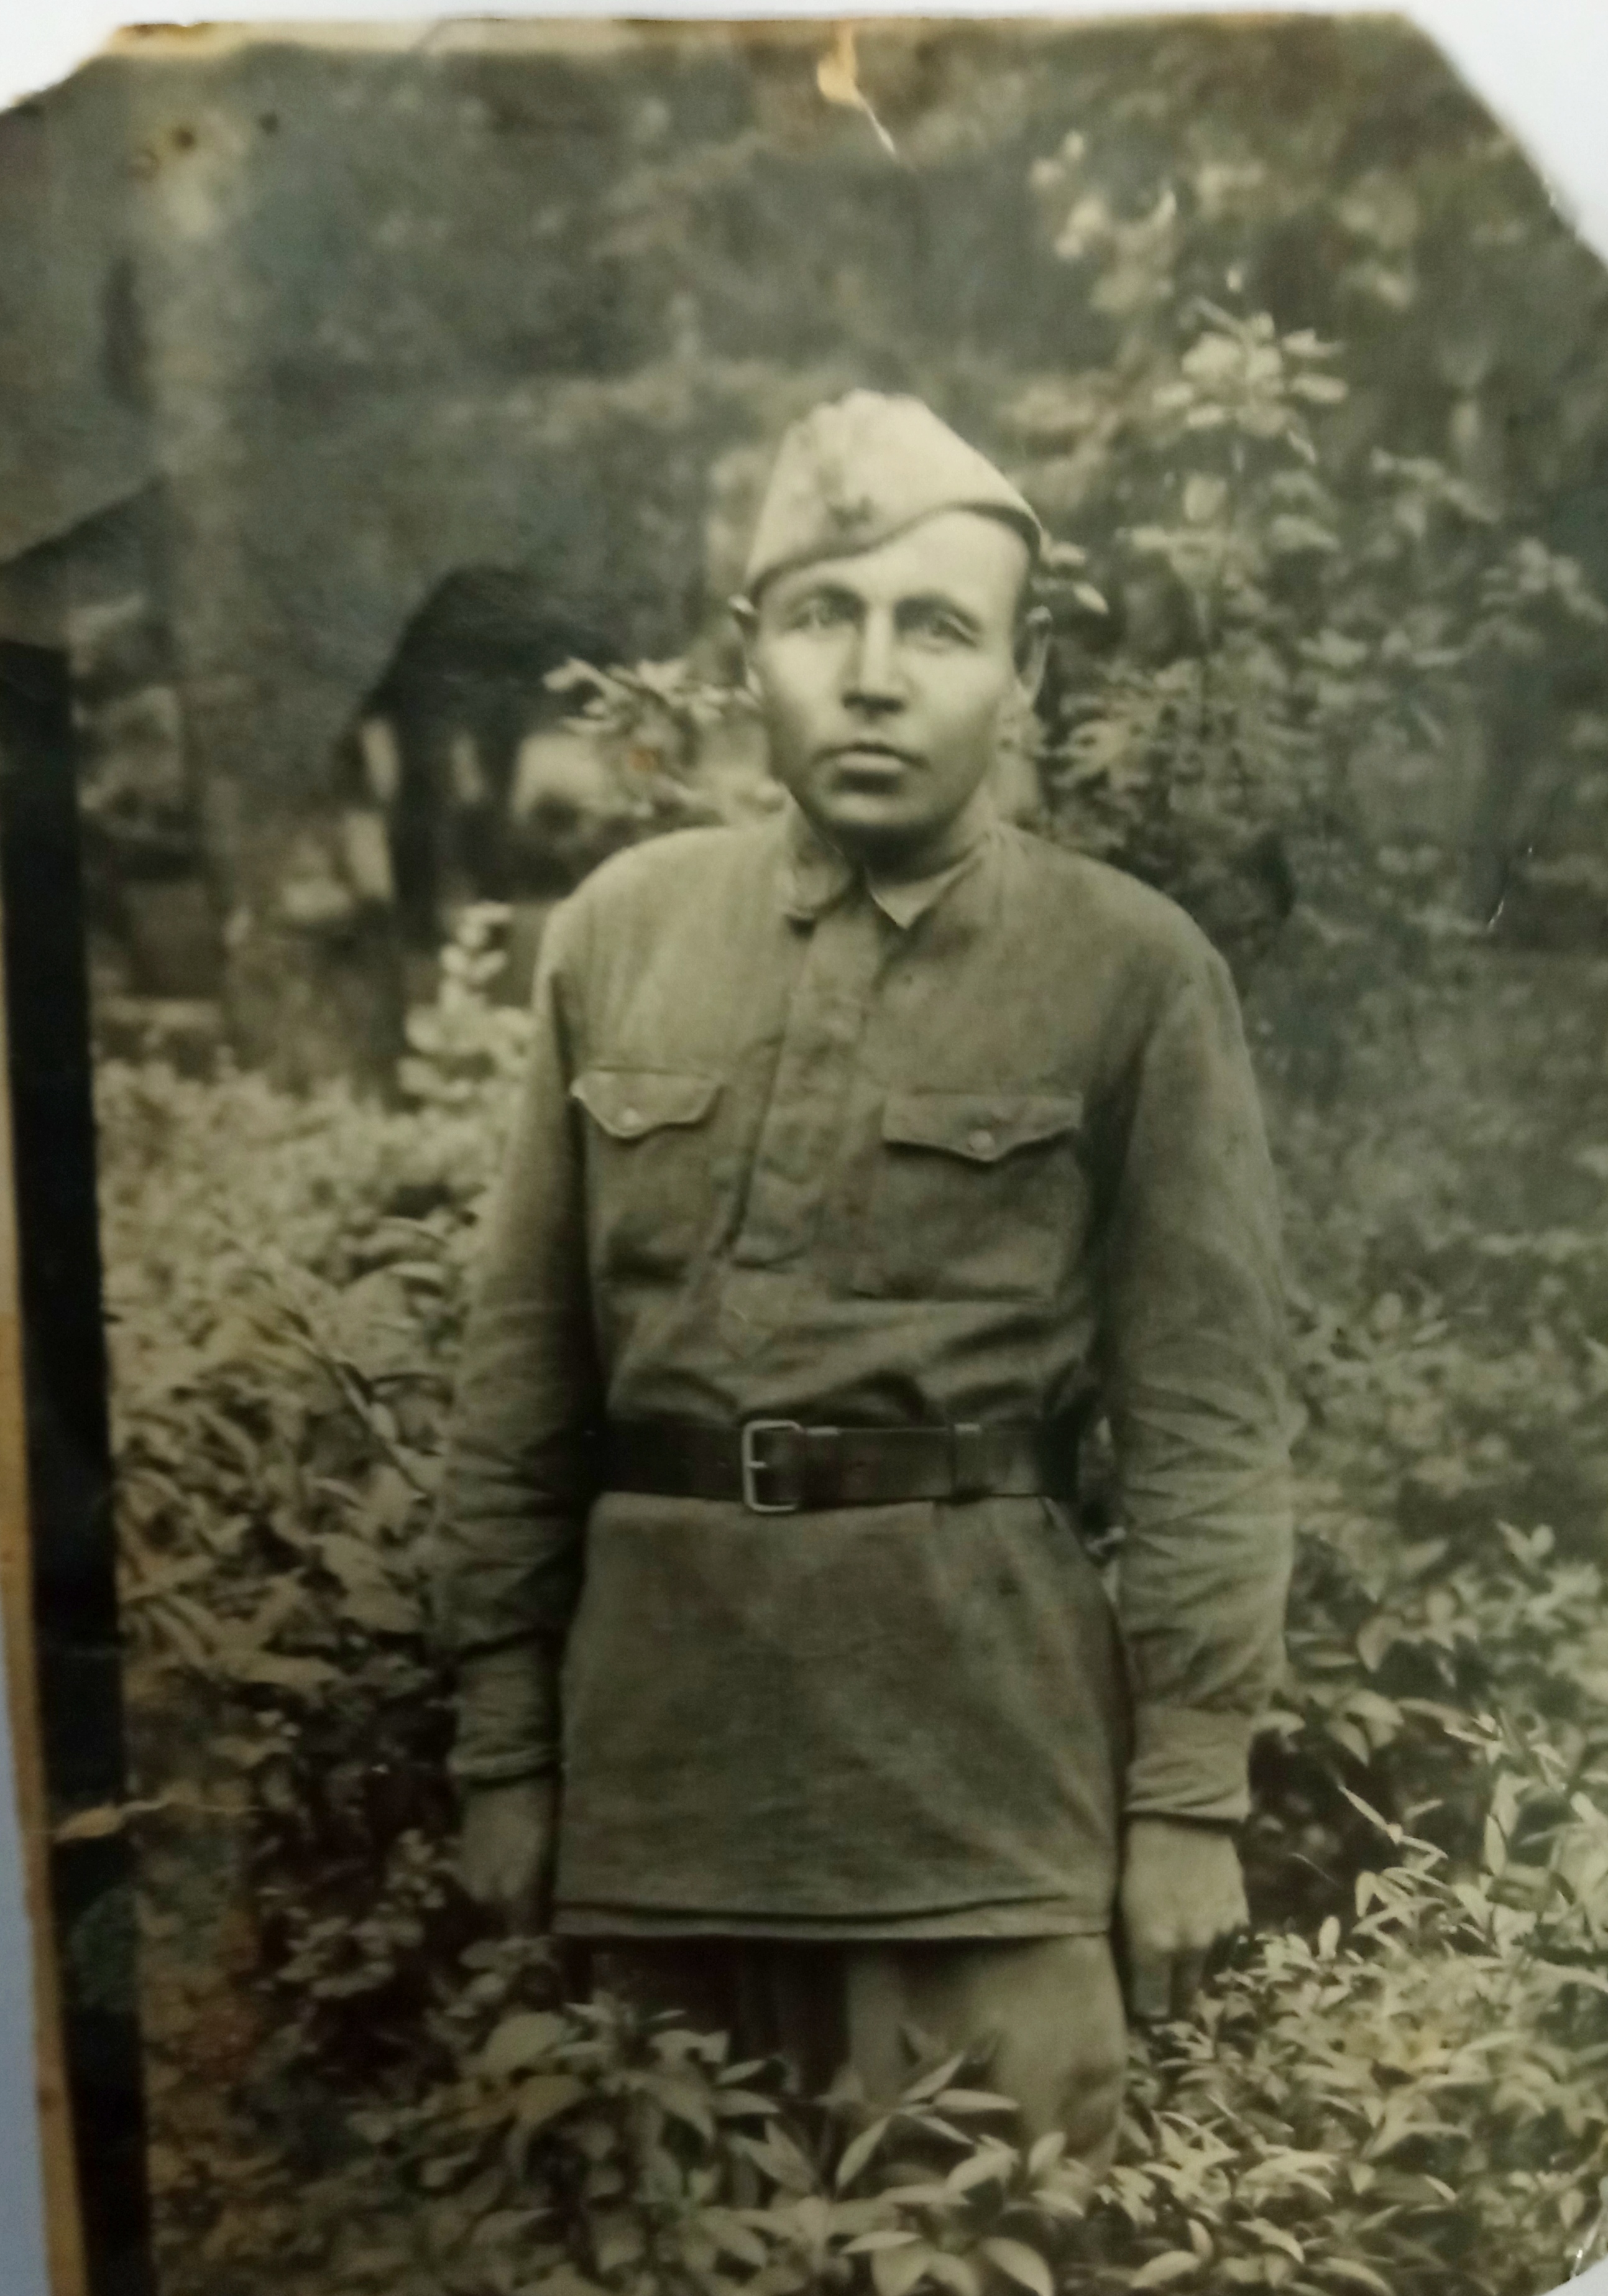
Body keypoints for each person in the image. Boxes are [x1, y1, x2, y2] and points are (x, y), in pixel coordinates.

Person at [433, 391, 1293, 2170]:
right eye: (825, 617)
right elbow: (520, 1377)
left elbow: (1207, 1415)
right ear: (750, 651)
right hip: (656, 1804)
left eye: (938, 628)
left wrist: (1190, 1798)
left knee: (990, 2253)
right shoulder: (619, 935)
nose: (875, 678)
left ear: (1022, 672)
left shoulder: (1131, 972)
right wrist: (504, 1752)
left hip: (983, 1820)